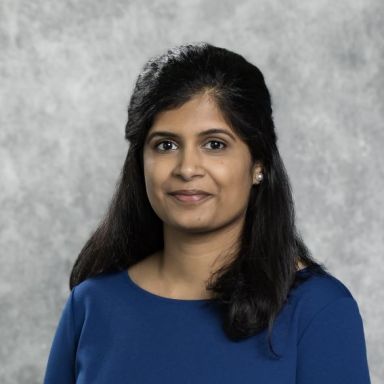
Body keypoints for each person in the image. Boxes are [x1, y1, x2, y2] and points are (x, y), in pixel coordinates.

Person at [43, 42, 371, 383]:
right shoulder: (92, 305)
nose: (187, 168)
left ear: (258, 163)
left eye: (214, 144)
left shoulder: (318, 310)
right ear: (141, 162)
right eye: (165, 145)